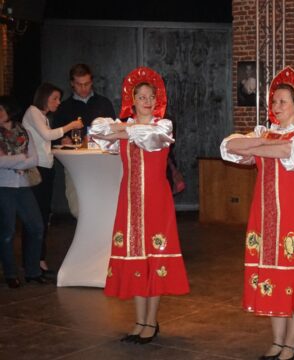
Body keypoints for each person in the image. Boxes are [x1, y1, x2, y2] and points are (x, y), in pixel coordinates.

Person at [221, 66, 294, 360]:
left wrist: (257, 147)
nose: (276, 107)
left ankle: (291, 343)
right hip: (265, 213)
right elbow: (229, 147)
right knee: (272, 276)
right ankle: (277, 340)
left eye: (283, 102)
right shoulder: (264, 132)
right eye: (275, 101)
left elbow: (290, 154)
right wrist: (264, 143)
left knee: (293, 279)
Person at [89, 67, 190, 344]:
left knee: (153, 259)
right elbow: (97, 130)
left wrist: (122, 129)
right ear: (131, 100)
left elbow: (147, 137)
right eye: (140, 96)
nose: (146, 101)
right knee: (136, 258)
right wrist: (125, 128)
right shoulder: (132, 126)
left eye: (150, 96)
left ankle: (151, 322)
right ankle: (140, 321)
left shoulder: (163, 127)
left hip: (155, 201)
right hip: (130, 202)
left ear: (157, 100)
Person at [21, 83, 83, 276]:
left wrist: (60, 142)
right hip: (36, 169)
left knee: (43, 215)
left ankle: (38, 261)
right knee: (36, 218)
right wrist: (70, 126)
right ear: (44, 97)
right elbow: (47, 135)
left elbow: (45, 140)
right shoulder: (33, 112)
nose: (57, 102)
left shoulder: (42, 116)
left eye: (58, 99)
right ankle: (33, 263)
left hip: (45, 169)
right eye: (54, 98)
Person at [52, 64, 116, 218]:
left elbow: (115, 130)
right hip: (75, 163)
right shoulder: (64, 107)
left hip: (101, 162)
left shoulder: (104, 103)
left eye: (87, 84)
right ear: (72, 84)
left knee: (103, 204)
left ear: (92, 81)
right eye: (79, 84)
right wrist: (63, 139)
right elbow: (55, 135)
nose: (84, 88)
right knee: (77, 208)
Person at [0, 96, 46, 288]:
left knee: (36, 227)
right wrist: (21, 157)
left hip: (24, 184)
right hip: (4, 186)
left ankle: (33, 271)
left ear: (10, 111)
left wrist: (13, 160)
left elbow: (34, 159)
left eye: (1, 109)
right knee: (7, 232)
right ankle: (10, 273)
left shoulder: (23, 132)